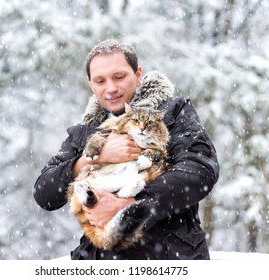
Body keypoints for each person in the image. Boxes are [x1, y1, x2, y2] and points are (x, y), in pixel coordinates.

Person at [33, 39, 220, 260]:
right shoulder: (84, 132)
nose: (111, 88)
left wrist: (131, 203)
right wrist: (92, 158)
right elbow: (44, 193)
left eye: (119, 77)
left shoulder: (172, 113)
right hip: (98, 258)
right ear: (91, 84)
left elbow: (200, 171)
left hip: (168, 257)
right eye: (100, 81)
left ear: (138, 74)